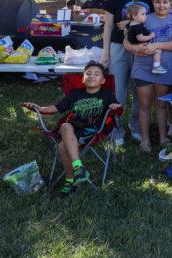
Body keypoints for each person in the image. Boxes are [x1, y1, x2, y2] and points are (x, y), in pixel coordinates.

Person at [23, 61, 121, 197]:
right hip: (71, 129)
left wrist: (114, 106)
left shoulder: (106, 94)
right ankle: (78, 169)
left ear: (103, 80)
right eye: (88, 73)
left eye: (96, 74)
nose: (92, 76)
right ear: (83, 78)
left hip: (91, 131)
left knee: (62, 146)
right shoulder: (75, 94)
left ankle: (71, 180)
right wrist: (39, 108)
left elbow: (115, 106)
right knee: (65, 128)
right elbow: (56, 108)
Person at [124, 0, 172, 152]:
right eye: (158, 2)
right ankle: (145, 140)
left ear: (170, 3)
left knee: (161, 105)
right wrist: (133, 48)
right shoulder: (144, 18)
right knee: (144, 105)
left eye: (165, 2)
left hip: (164, 69)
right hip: (142, 67)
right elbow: (127, 39)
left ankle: (163, 138)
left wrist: (155, 45)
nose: (162, 5)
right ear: (153, 3)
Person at [101, 0, 153, 144]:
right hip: (118, 47)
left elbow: (152, 22)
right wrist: (105, 53)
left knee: (140, 91)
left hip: (141, 49)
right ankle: (117, 129)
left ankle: (136, 125)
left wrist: (130, 24)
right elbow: (108, 26)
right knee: (119, 92)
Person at [125, 5, 166, 74]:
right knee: (158, 51)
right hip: (143, 46)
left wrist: (129, 39)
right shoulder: (138, 27)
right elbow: (140, 38)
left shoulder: (129, 24)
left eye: (145, 14)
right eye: (142, 14)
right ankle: (156, 67)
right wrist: (150, 36)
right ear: (134, 16)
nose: (145, 16)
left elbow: (125, 32)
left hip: (136, 46)